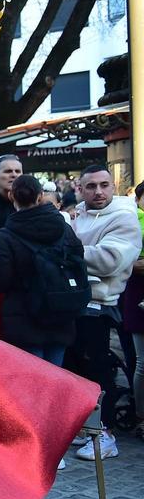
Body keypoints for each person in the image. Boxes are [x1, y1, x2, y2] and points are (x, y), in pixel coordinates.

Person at [66, 164, 141, 461]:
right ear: (80, 189)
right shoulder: (78, 215)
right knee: (77, 368)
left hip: (100, 305)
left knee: (99, 369)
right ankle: (89, 428)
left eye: (104, 185)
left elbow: (109, 260)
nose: (99, 191)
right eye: (92, 186)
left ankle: (106, 433)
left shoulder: (124, 216)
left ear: (114, 186)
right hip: (75, 303)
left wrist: (69, 253)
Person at [0, 175, 87, 366]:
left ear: (12, 196)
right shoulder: (64, 228)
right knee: (54, 378)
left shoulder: (5, 237)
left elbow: (0, 281)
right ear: (40, 196)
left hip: (23, 319)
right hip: (61, 313)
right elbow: (78, 260)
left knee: (31, 383)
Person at [118, 181, 144, 442]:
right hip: (136, 297)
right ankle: (140, 416)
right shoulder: (132, 221)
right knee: (141, 362)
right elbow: (130, 263)